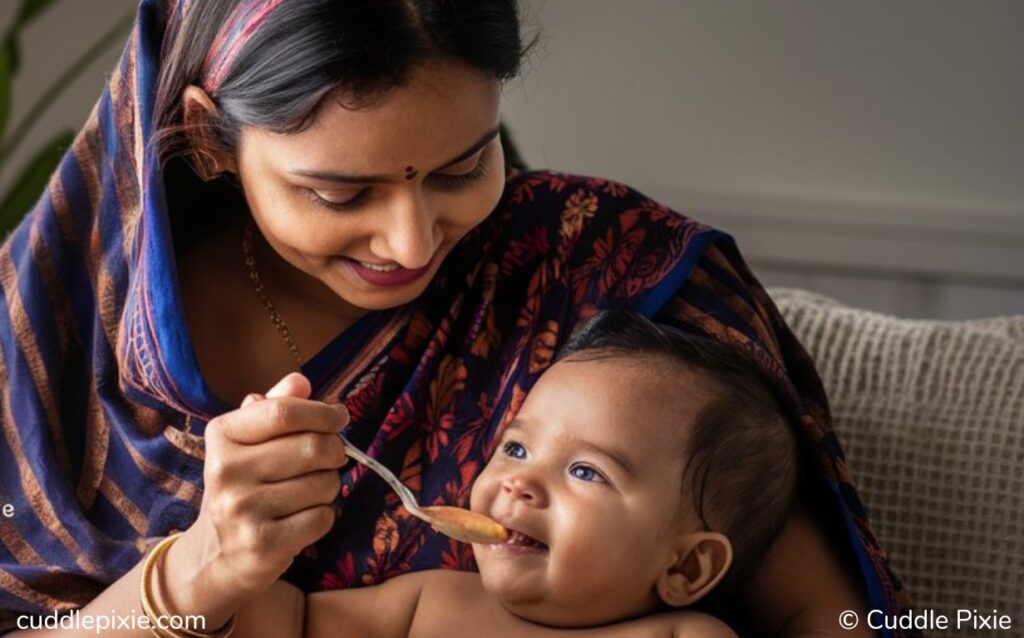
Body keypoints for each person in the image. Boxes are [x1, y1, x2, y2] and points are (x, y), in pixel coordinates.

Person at [0, 1, 913, 637]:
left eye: (461, 169)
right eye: (339, 191)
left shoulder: (597, 267)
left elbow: (827, 616)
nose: (408, 242)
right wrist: (204, 567)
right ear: (208, 138)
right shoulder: (49, 347)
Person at [234, 309, 800, 638]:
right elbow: (287, 626)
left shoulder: (681, 637)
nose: (519, 481)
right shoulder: (431, 604)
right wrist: (237, 552)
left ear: (686, 565)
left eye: (585, 470)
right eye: (516, 449)